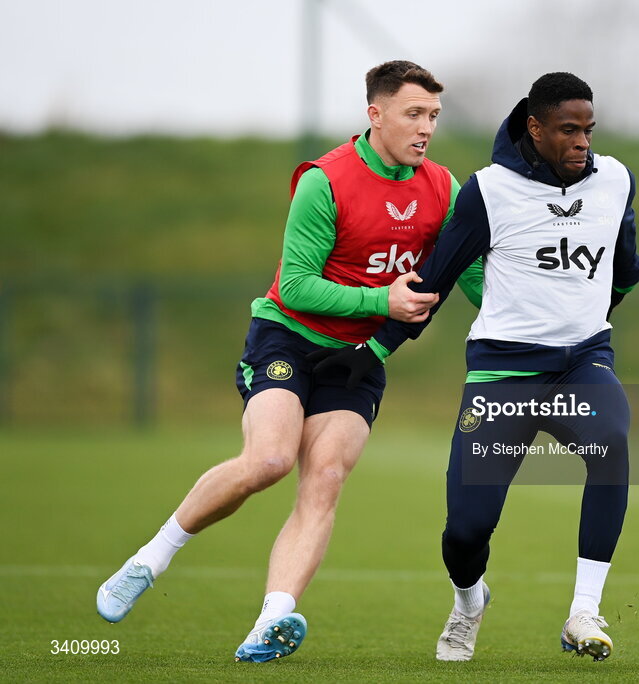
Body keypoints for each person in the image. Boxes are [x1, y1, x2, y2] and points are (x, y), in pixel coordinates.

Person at [95, 60, 481, 663]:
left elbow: (472, 272)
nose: (426, 127)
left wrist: (529, 317)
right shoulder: (324, 181)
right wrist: (384, 299)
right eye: (413, 113)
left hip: (358, 358)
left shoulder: (441, 186)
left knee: (325, 477)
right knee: (270, 459)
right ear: (374, 114)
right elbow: (296, 286)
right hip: (287, 338)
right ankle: (151, 559)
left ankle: (272, 620)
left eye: (433, 114)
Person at [311, 72, 639, 662]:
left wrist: (588, 309)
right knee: (465, 531)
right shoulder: (488, 192)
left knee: (611, 441)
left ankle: (583, 612)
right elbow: (433, 280)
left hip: (583, 364)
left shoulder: (615, 181)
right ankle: (468, 601)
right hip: (503, 375)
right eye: (568, 130)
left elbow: (627, 268)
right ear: (534, 128)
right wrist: (375, 349)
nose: (582, 142)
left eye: (588, 130)